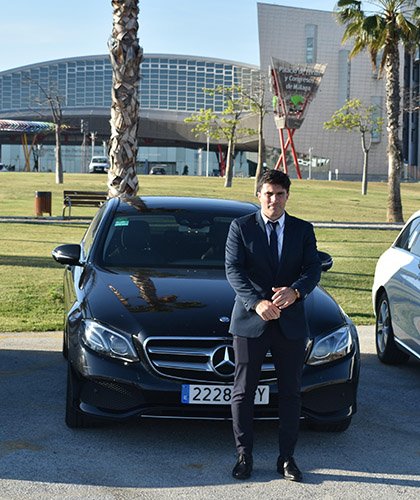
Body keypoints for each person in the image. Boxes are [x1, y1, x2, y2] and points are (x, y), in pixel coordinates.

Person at [225, 169, 321, 482]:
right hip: (250, 321)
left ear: (287, 196)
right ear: (259, 195)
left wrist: (296, 292)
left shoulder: (302, 229)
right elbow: (233, 270)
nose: (274, 200)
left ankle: (287, 458)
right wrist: (257, 303)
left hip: (290, 324)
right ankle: (244, 456)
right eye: (268, 193)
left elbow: (313, 269)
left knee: (291, 393)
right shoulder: (241, 227)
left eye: (280, 194)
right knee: (243, 392)